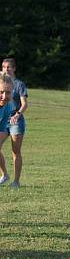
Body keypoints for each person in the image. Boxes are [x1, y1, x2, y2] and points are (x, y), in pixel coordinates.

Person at [0, 58, 28, 188]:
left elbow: (24, 104)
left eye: (8, 67)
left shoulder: (19, 84)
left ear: (14, 68)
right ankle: (5, 175)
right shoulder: (1, 82)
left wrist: (17, 115)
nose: (6, 69)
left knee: (15, 151)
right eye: (4, 67)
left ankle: (16, 182)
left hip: (16, 121)